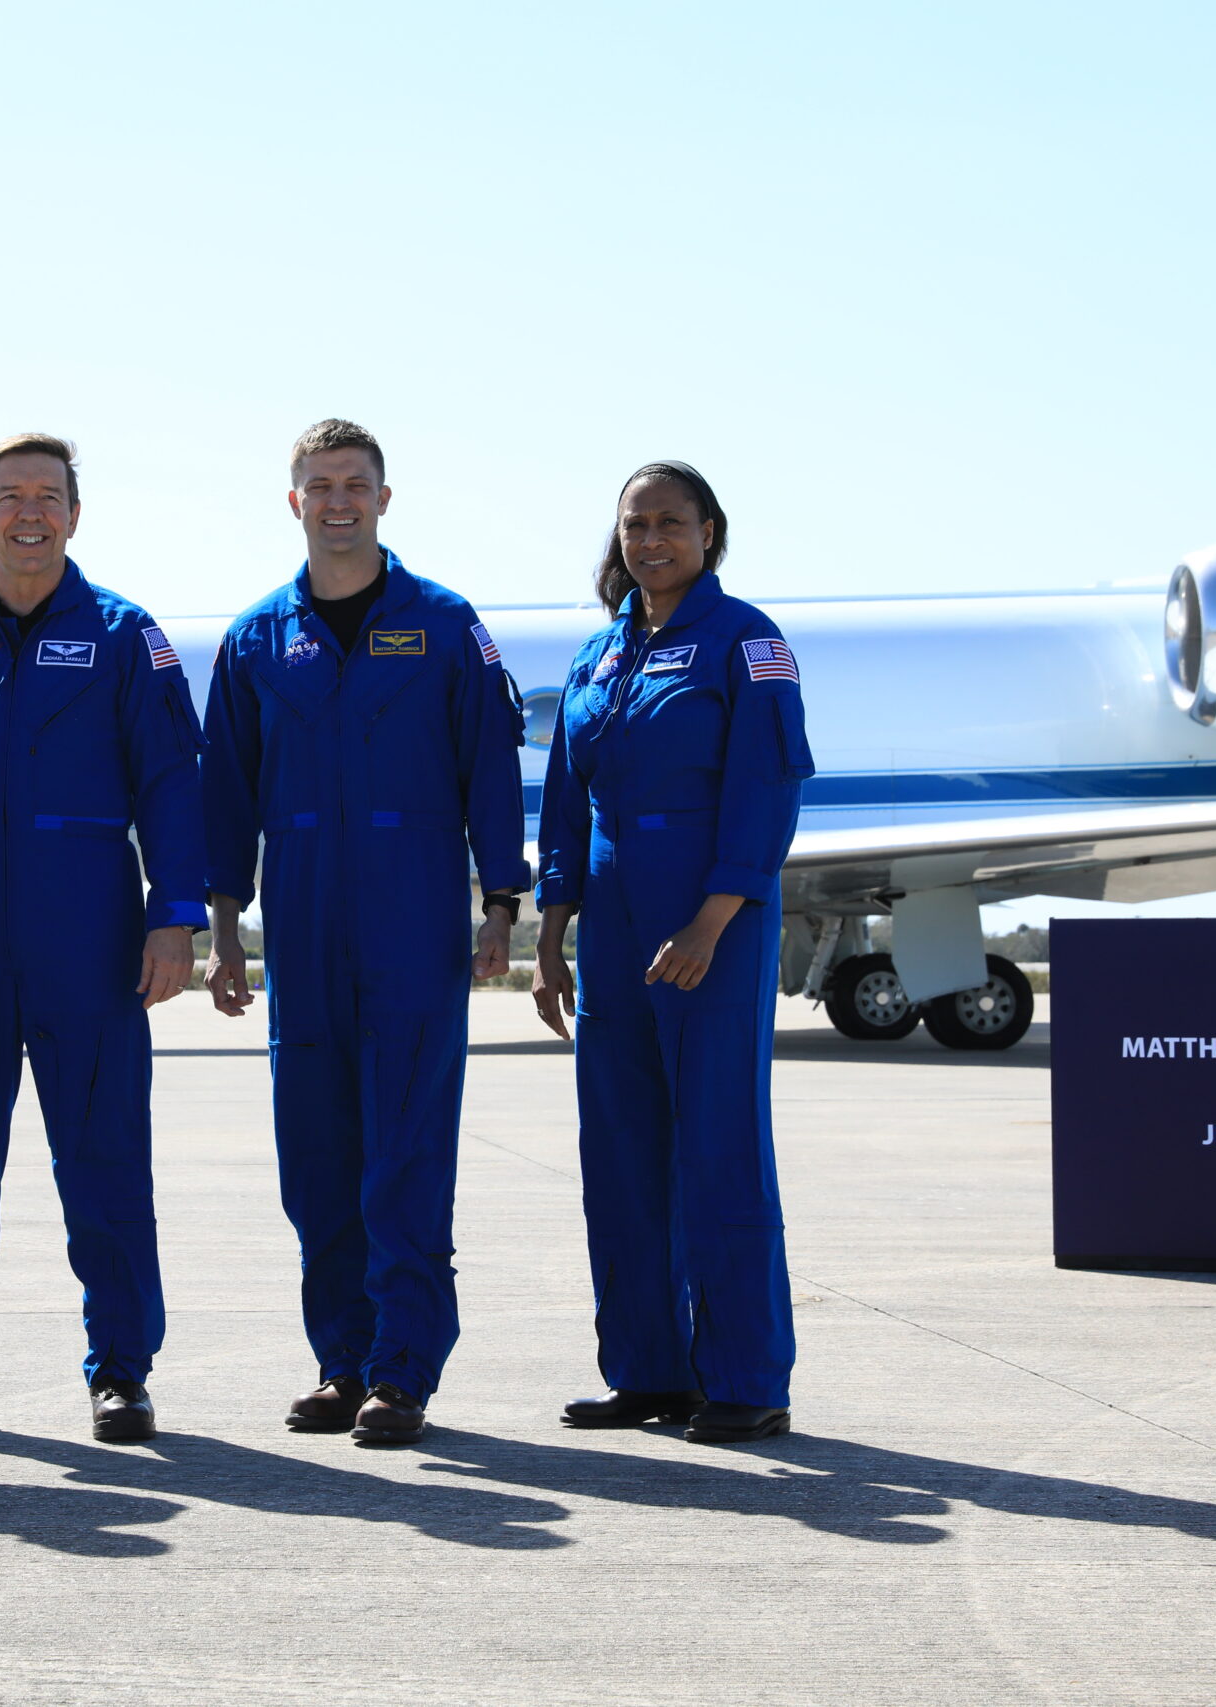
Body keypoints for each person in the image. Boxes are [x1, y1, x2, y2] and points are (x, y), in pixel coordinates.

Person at [0, 433, 207, 1445]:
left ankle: (120, 1371)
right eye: (9, 496)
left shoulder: (123, 636)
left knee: (105, 1164)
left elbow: (170, 782)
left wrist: (174, 915)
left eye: (47, 496)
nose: (29, 512)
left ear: (73, 514)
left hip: (91, 931)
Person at [201, 419, 528, 1445]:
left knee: (407, 1151)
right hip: (300, 922)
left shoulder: (443, 625)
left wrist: (501, 904)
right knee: (318, 1156)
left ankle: (402, 1371)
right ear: (292, 501)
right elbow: (226, 791)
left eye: (355, 484)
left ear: (384, 500)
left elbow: (488, 767)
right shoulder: (257, 638)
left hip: (411, 916)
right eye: (318, 484)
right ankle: (340, 1361)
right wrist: (222, 921)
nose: (337, 500)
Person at [530, 460, 814, 1445]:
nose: (648, 541)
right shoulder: (596, 656)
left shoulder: (746, 644)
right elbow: (567, 805)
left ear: (708, 533)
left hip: (712, 929)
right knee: (618, 1159)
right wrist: (550, 934)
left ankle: (745, 1377)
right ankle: (648, 1371)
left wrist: (710, 920)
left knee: (718, 1152)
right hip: (610, 933)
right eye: (633, 525)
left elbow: (766, 791)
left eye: (668, 524)